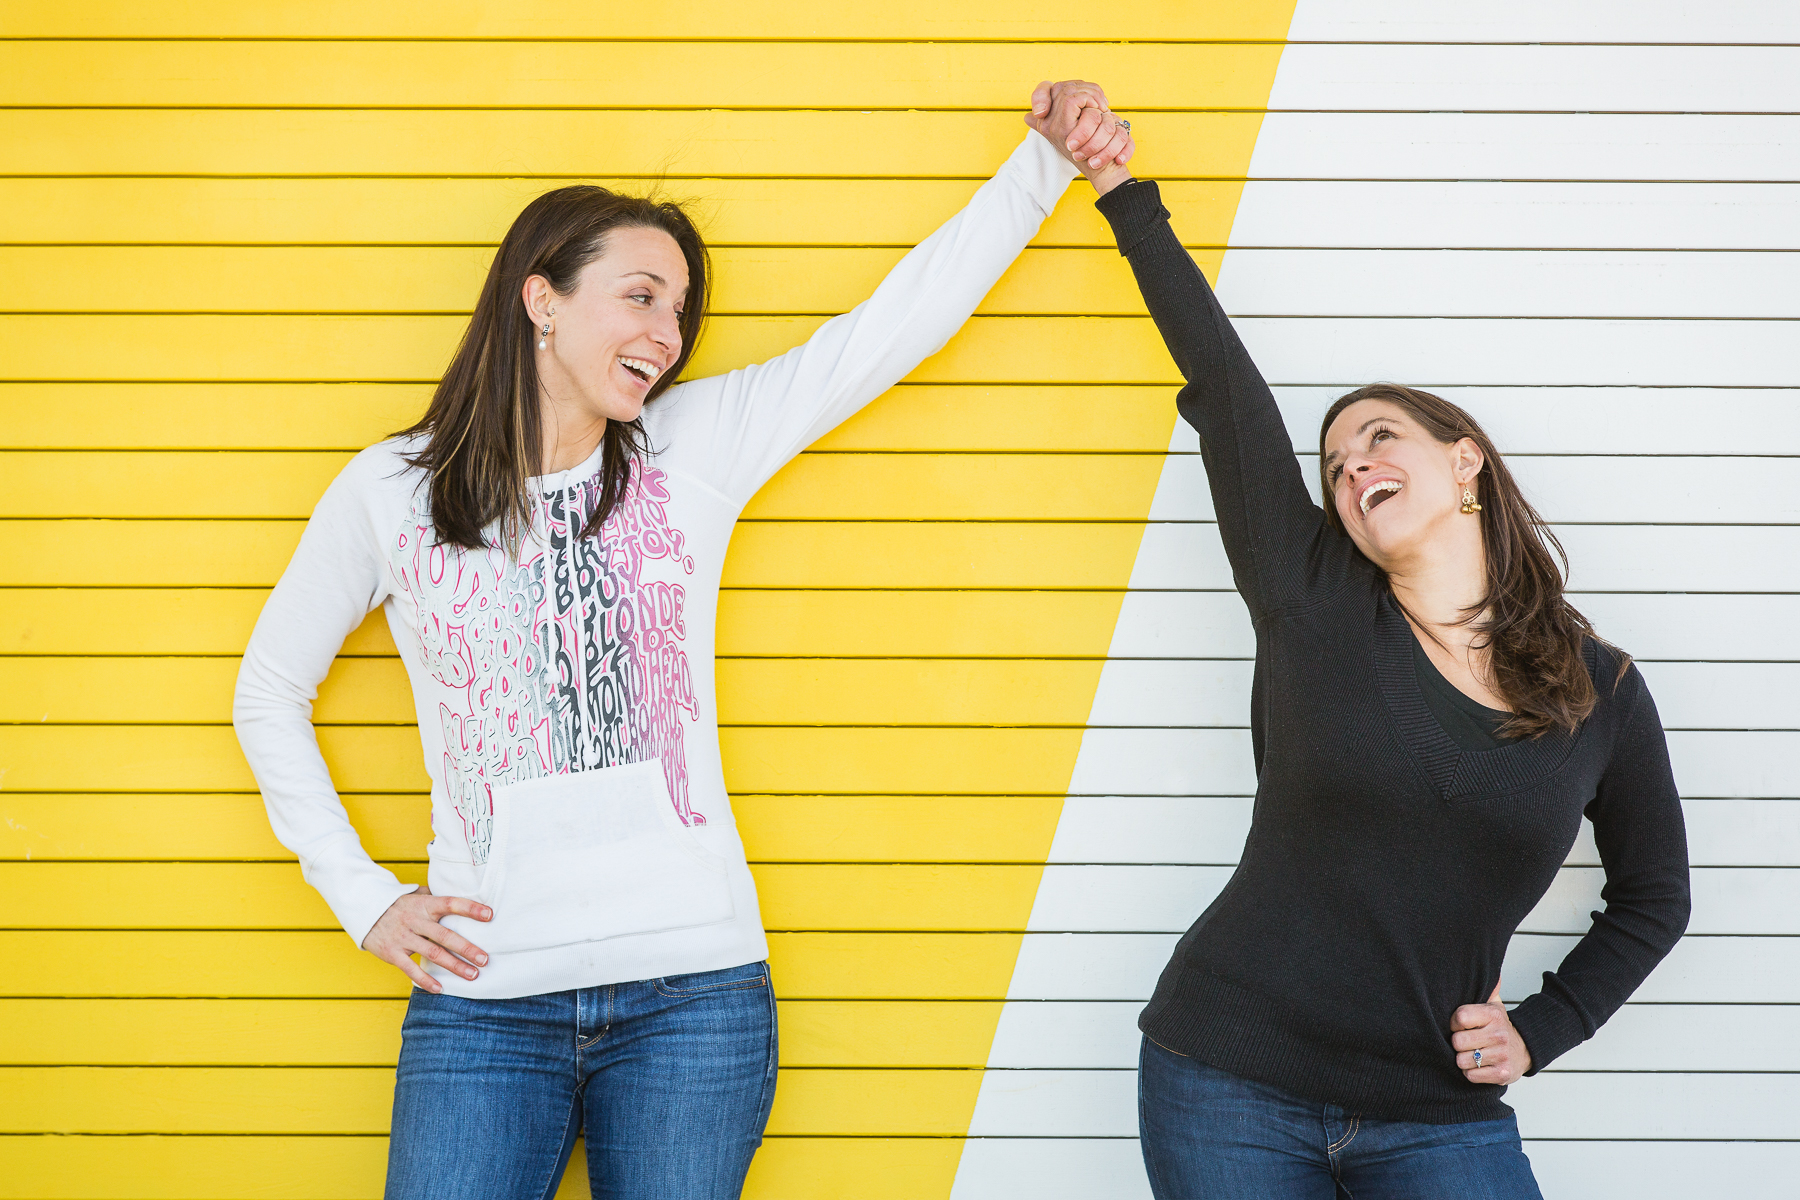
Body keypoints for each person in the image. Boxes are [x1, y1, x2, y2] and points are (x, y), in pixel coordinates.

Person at [233, 83, 1133, 1200]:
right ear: (540, 299)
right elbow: (269, 688)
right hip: (486, 1003)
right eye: (641, 296)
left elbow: (887, 331)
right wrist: (362, 897)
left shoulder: (689, 446)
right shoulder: (393, 491)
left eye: (680, 312)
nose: (666, 335)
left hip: (693, 1002)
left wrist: (1042, 166)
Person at [1039, 117, 1692, 1197]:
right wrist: (1116, 183)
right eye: (1336, 462)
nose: (1352, 466)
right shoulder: (1314, 600)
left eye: (1381, 436)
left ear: (1465, 459)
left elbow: (1655, 896)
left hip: (1439, 1116)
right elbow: (1223, 385)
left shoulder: (1603, 690)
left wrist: (1545, 1026)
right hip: (1225, 1079)